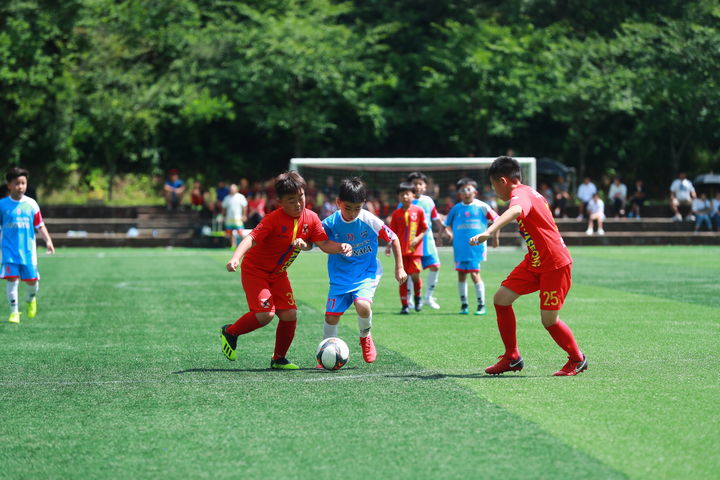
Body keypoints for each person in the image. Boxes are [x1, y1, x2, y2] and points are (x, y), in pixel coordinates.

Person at [219, 171, 352, 370]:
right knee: (266, 314)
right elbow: (251, 238)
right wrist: (235, 258)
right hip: (256, 271)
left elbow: (322, 243)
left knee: (290, 314)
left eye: (301, 198)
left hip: (279, 274)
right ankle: (230, 332)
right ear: (280, 201)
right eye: (292, 200)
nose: (298, 204)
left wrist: (340, 246)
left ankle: (278, 358)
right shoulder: (273, 219)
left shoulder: (312, 218)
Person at [469, 156, 587, 377]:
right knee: (501, 299)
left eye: (494, 185)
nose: (495, 191)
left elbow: (516, 211)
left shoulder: (520, 194)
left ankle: (577, 359)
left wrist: (490, 230)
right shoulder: (528, 192)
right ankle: (512, 357)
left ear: (503, 181)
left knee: (549, 320)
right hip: (535, 260)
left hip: (554, 263)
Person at [321, 178, 407, 364]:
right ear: (338, 203)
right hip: (339, 277)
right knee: (331, 316)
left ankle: (365, 337)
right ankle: (325, 351)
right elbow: (321, 243)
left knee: (363, 305)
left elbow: (394, 238)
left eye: (357, 208)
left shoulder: (369, 219)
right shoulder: (330, 223)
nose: (352, 213)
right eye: (348, 208)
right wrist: (336, 246)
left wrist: (399, 267)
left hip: (366, 273)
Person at [0, 167, 55, 324]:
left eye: (23, 183)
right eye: (17, 183)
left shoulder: (31, 204)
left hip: (28, 252)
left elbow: (40, 225)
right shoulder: (2, 205)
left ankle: (31, 299)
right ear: (9, 185)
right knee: (12, 279)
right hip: (9, 251)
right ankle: (14, 312)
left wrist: (48, 241)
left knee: (32, 282)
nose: (20, 187)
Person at [443, 178, 499, 315]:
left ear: (475, 192)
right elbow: (445, 224)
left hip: (476, 248)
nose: (466, 193)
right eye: (463, 190)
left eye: (469, 190)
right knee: (461, 275)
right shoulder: (456, 208)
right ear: (459, 194)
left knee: (474, 274)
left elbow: (498, 220)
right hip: (460, 248)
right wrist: (444, 235)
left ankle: (481, 305)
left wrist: (495, 238)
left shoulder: (482, 206)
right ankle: (464, 305)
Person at [403, 172, 444, 310]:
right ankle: (409, 299)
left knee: (435, 266)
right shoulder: (405, 201)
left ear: (425, 186)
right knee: (411, 272)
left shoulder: (428, 201)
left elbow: (435, 218)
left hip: (428, 241)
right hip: (412, 244)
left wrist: (445, 231)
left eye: (420, 183)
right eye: (414, 184)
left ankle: (428, 297)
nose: (417, 186)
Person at [388, 182, 427, 314]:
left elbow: (424, 228)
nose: (405, 197)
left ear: (413, 195)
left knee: (415, 276)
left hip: (415, 251)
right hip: (401, 252)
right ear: (398, 197)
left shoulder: (419, 211)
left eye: (407, 194)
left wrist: (417, 238)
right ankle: (404, 305)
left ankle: (417, 297)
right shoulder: (396, 214)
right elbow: (391, 233)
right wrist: (389, 247)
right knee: (402, 278)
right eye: (402, 194)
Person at [222, 184, 249, 248]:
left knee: (241, 232)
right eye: (231, 189)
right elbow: (224, 208)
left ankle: (244, 246)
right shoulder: (227, 198)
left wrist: (244, 215)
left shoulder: (240, 197)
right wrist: (223, 216)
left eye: (233, 189)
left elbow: (245, 207)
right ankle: (233, 246)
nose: (232, 190)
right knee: (230, 233)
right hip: (229, 218)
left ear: (236, 189)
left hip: (238, 218)